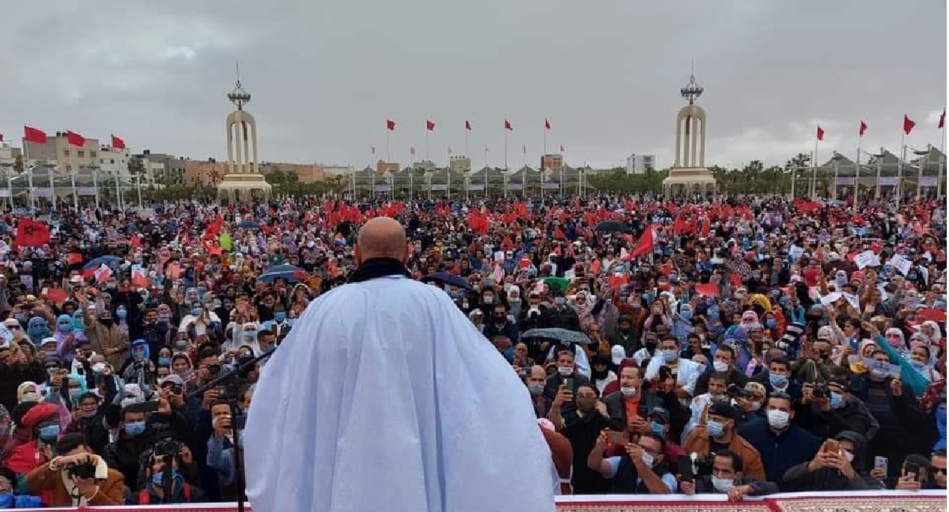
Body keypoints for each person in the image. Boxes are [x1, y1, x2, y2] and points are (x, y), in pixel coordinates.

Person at [243, 217, 556, 512]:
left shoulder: (324, 310)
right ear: (407, 253)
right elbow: (488, 389)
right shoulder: (434, 305)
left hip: (340, 468)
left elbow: (281, 398)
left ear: (357, 254)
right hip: (419, 469)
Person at [24, 433, 125, 506]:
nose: (78, 462)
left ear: (88, 450)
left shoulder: (113, 477)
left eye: (80, 456)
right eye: (73, 461)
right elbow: (30, 483)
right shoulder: (59, 473)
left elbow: (116, 509)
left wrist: (90, 491)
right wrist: (56, 462)